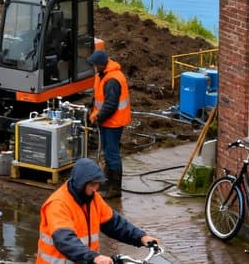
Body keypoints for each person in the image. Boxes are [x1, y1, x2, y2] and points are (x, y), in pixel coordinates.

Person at [37, 158, 159, 264]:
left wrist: (141, 237)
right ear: (80, 184)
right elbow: (65, 240)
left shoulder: (93, 199)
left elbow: (114, 224)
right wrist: (94, 258)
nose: (96, 188)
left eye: (98, 184)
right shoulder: (58, 204)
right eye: (92, 184)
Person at [87, 50, 131, 199]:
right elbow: (98, 99)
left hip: (113, 123)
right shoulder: (102, 76)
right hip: (107, 122)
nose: (93, 67)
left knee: (112, 154)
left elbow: (110, 105)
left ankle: (115, 188)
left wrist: (98, 117)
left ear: (100, 65)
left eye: (94, 65)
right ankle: (107, 182)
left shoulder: (112, 80)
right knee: (108, 152)